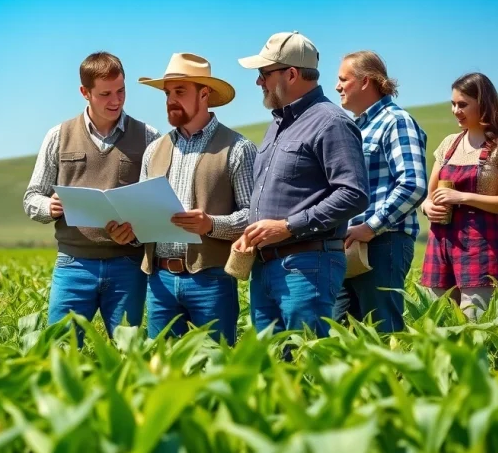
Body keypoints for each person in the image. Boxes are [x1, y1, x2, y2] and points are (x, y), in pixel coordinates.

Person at [106, 52, 256, 347]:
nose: (170, 99)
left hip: (211, 282)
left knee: (217, 368)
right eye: (167, 93)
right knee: (163, 372)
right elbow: (142, 213)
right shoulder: (154, 150)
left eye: (180, 91)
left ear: (204, 94)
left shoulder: (238, 148)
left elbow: (253, 216)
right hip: (159, 283)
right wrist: (130, 233)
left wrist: (210, 224)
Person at [236, 31, 370, 340]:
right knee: (272, 368)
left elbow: (353, 193)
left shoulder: (331, 122)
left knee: (305, 363)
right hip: (267, 266)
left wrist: (287, 226)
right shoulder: (277, 126)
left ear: (291, 74)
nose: (259, 82)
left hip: (307, 266)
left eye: (264, 74)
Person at [23, 51, 160, 342]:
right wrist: (51, 206)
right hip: (73, 264)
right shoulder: (58, 135)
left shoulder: (150, 136)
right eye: (105, 94)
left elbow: (158, 207)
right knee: (60, 349)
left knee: (128, 354)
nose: (116, 101)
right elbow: (32, 197)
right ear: (84, 92)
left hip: (128, 266)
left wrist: (135, 234)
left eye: (121, 91)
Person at [332, 50, 428, 333]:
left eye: (343, 79)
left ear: (366, 81)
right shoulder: (355, 127)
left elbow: (413, 184)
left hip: (383, 244)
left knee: (381, 333)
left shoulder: (396, 121)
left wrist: (371, 227)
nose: (337, 86)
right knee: (338, 333)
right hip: (351, 246)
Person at [420, 72, 498, 320]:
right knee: (440, 322)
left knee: (473, 323)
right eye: (453, 104)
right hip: (440, 241)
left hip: (480, 244)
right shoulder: (448, 144)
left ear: (484, 103)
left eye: (463, 104)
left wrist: (463, 197)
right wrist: (427, 207)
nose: (456, 110)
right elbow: (429, 195)